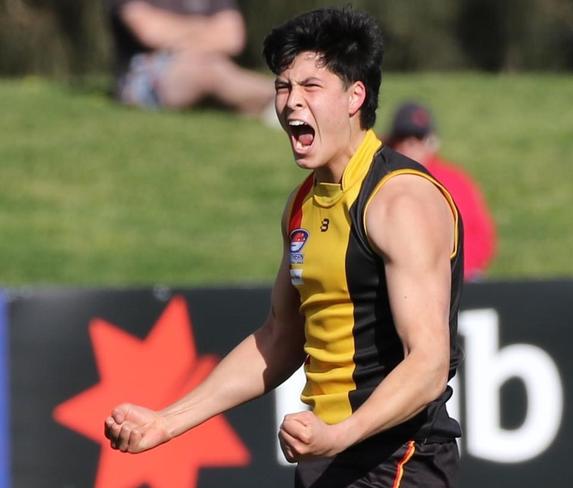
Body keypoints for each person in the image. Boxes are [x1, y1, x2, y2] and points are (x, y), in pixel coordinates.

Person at [105, 7, 464, 487]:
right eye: (282, 86)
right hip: (328, 460)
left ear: (356, 96)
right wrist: (166, 421)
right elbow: (279, 337)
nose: (291, 102)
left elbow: (428, 364)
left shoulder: (399, 201)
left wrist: (342, 434)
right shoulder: (302, 204)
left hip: (398, 459)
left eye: (311, 87)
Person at [105, 0, 275, 118]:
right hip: (146, 76)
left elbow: (232, 39)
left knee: (210, 66)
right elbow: (149, 32)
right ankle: (274, 95)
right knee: (207, 69)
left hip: (211, 64)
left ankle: (273, 102)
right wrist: (205, 29)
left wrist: (175, 32)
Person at [386, 102, 496, 280]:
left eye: (417, 139)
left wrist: (453, 270)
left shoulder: (455, 182)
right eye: (403, 138)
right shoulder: (381, 178)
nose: (410, 145)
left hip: (454, 275)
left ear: (431, 142)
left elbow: (481, 235)